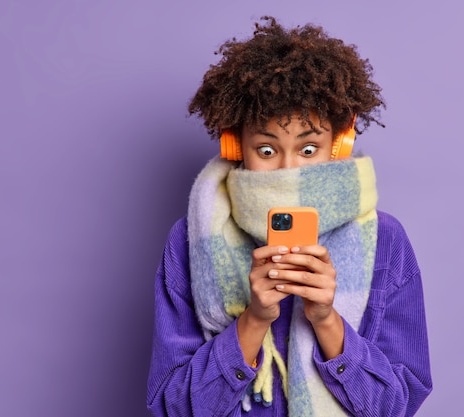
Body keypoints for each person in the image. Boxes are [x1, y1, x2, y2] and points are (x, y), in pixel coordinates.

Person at [147, 16, 432, 417]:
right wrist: (253, 321)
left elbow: (396, 406)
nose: (287, 169)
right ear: (235, 145)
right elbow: (170, 406)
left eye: (309, 148)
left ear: (338, 144)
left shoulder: (385, 240)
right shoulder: (191, 238)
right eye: (266, 150)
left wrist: (326, 320)